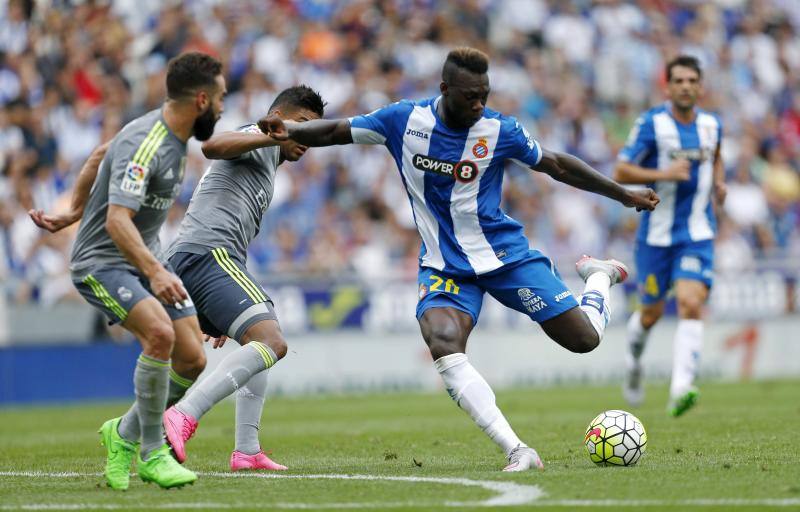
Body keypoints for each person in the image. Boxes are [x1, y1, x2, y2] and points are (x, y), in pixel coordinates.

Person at [260, 47, 659, 471]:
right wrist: (285, 129)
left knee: (584, 340)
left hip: (505, 257)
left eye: (484, 95)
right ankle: (518, 450)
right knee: (443, 342)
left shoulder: (498, 129)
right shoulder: (404, 120)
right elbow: (337, 129)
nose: (479, 104)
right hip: (444, 265)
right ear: (445, 89)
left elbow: (557, 164)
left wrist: (622, 194)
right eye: (470, 96)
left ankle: (598, 278)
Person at [32, 52, 226, 489]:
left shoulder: (170, 137)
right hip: (102, 263)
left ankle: (121, 433)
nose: (223, 107)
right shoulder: (149, 143)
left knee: (193, 358)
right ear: (200, 99)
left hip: (141, 258)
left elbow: (101, 153)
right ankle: (152, 453)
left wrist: (75, 208)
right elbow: (117, 221)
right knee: (159, 334)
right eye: (220, 98)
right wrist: (156, 273)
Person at [160, 86, 324, 471]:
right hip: (208, 254)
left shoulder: (268, 163)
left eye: (313, 132)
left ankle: (246, 450)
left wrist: (221, 308)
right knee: (272, 341)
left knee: (254, 345)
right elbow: (212, 145)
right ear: (278, 116)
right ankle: (185, 413)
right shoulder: (260, 137)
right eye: (301, 125)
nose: (307, 138)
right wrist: (269, 133)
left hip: (203, 258)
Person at [614, 55, 725, 417]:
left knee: (692, 302)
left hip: (697, 233)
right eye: (679, 80)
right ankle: (633, 365)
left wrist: (719, 182)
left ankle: (681, 387)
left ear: (701, 86)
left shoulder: (712, 125)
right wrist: (665, 172)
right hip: (655, 238)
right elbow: (621, 169)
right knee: (651, 313)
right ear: (668, 86)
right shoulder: (652, 124)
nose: (686, 86)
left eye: (692, 80)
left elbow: (716, 156)